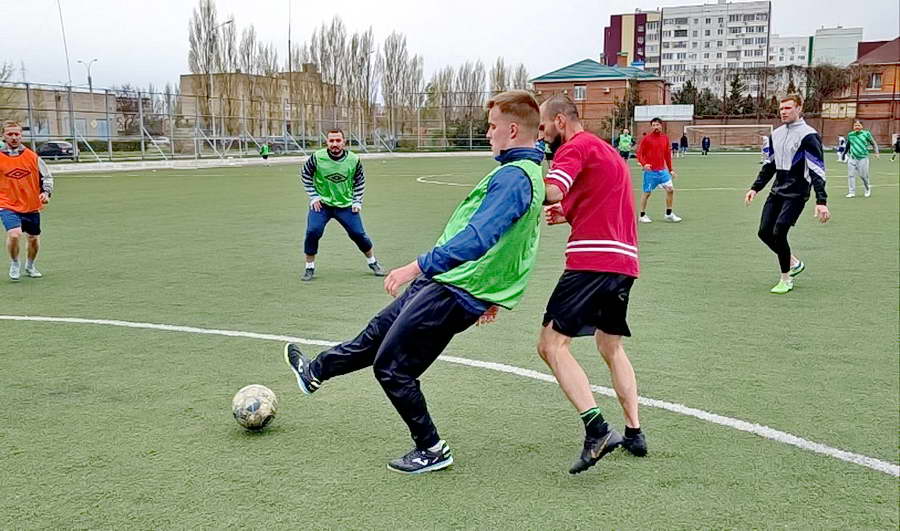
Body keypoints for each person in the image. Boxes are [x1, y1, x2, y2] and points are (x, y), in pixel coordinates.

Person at [283, 91, 546, 474]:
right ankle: (315, 372)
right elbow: (516, 243)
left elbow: (478, 238)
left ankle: (431, 448)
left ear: (513, 130)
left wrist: (417, 266)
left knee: (393, 368)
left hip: (455, 289)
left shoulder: (515, 177)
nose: (488, 133)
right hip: (450, 281)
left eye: (492, 127)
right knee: (376, 333)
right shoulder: (523, 172)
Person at [538, 94, 644, 475]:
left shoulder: (573, 147)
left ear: (560, 121)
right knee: (610, 346)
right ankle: (634, 432)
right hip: (624, 262)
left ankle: (597, 429)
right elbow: (600, 197)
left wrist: (523, 175)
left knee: (550, 344)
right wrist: (568, 213)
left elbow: (552, 189)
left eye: (543, 127)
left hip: (591, 262)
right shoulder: (606, 151)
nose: (542, 135)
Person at [744, 94, 830, 294]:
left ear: (799, 108)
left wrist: (821, 200)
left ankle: (786, 278)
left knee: (779, 232)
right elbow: (770, 165)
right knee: (764, 232)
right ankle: (794, 263)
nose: (783, 112)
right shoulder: (776, 134)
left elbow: (817, 169)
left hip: (797, 193)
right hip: (777, 190)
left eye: (788, 108)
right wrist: (755, 188)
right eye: (781, 109)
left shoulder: (809, 135)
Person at [300, 129, 385, 281]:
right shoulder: (317, 157)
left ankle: (373, 262)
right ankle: (309, 267)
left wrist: (357, 200)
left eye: (338, 140)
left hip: (346, 205)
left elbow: (360, 181)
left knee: (358, 234)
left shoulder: (354, 159)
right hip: (322, 205)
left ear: (344, 142)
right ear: (327, 142)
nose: (335, 144)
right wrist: (314, 196)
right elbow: (305, 175)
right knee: (313, 231)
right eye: (331, 141)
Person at [0, 121, 53, 281]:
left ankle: (30, 265)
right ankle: (15, 263)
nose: (14, 137)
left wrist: (46, 192)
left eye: (17, 134)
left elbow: (47, 177)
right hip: (7, 204)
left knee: (33, 238)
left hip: (30, 205)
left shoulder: (32, 157)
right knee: (14, 234)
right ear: (3, 136)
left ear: (21, 136)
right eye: (10, 134)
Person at [636, 117, 682, 223]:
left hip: (662, 171)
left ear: (661, 125)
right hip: (650, 172)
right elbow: (639, 153)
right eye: (653, 125)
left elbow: (667, 155)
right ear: (651, 127)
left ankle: (669, 214)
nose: (656, 127)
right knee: (647, 193)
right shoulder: (647, 139)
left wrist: (670, 169)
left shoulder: (665, 138)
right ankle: (642, 215)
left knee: (670, 190)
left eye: (657, 125)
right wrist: (644, 164)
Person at [844, 120, 879, 198]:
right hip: (852, 157)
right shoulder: (850, 135)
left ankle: (867, 189)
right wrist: (844, 154)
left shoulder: (866, 134)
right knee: (851, 175)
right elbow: (848, 145)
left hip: (863, 158)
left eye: (858, 125)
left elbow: (873, 143)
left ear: (862, 126)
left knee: (863, 176)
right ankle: (851, 192)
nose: (857, 127)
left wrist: (876, 152)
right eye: (855, 125)